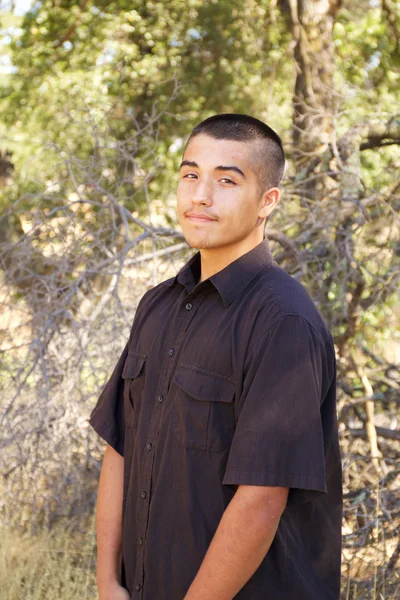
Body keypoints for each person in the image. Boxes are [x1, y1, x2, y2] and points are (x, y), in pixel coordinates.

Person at [89, 113, 342, 600]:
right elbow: (120, 447)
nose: (200, 195)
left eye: (226, 180)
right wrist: (108, 582)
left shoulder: (282, 322)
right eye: (190, 175)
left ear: (267, 201)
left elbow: (262, 498)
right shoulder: (157, 305)